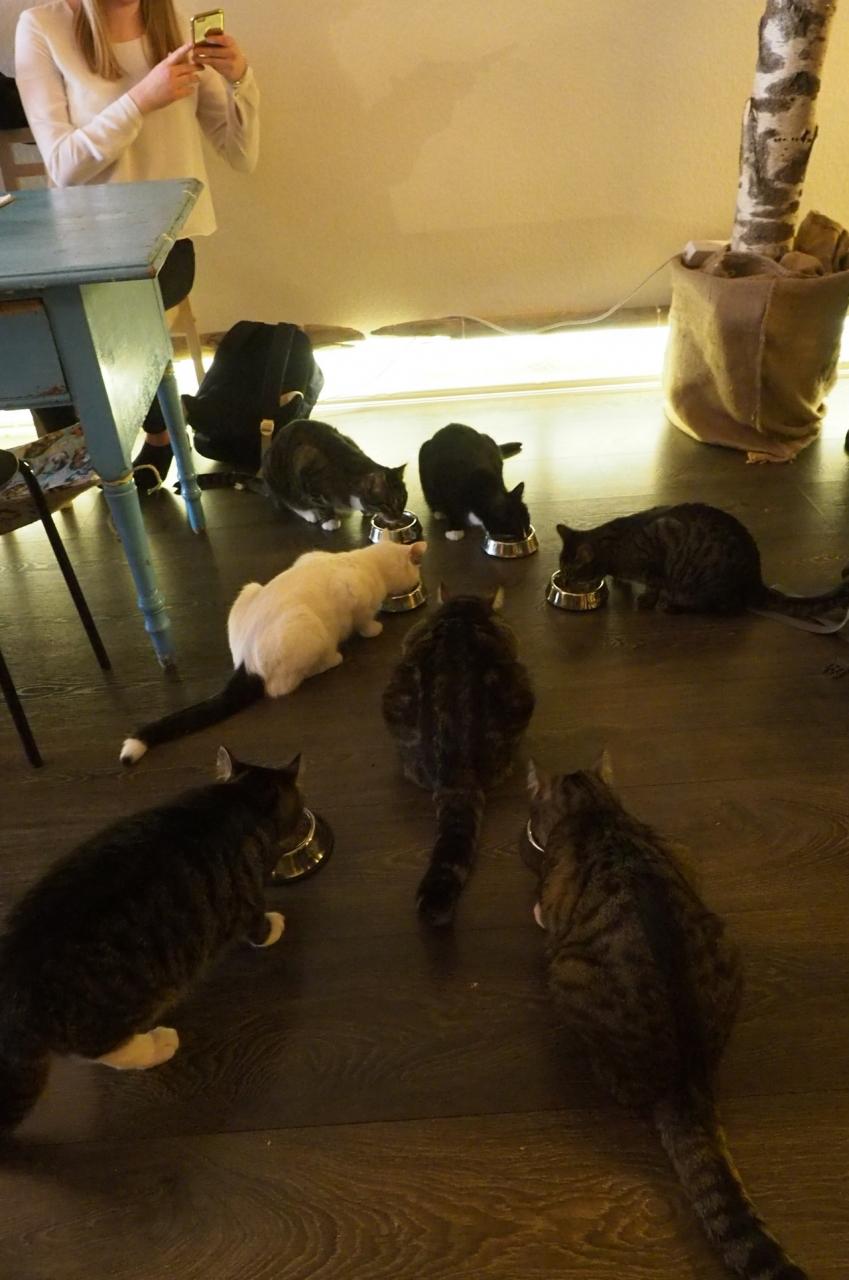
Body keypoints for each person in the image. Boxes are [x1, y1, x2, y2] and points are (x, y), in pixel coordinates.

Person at [14, 0, 259, 489]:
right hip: (81, 245)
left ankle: (114, 449)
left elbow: (241, 154)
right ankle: (97, 447)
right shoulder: (42, 26)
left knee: (95, 334)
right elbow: (64, 165)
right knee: (39, 338)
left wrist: (242, 80)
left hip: (166, 246)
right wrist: (142, 98)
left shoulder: (175, 27)